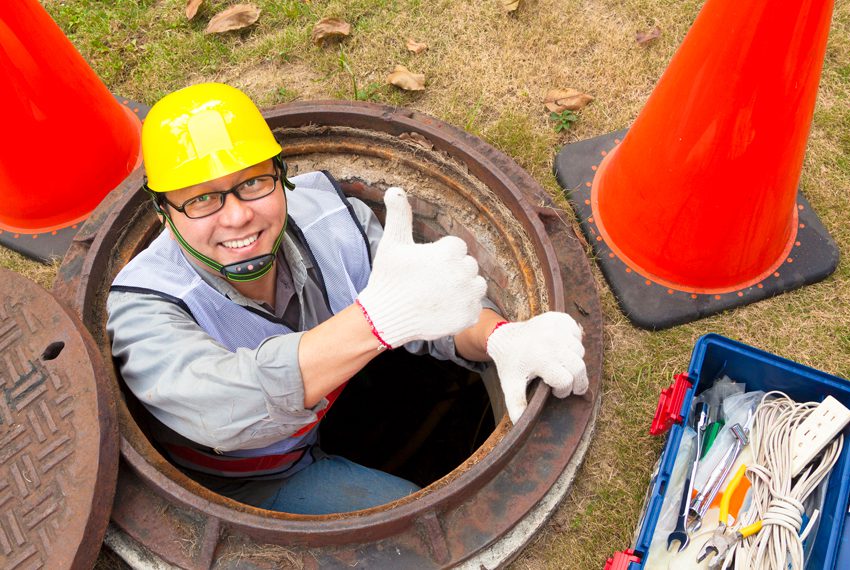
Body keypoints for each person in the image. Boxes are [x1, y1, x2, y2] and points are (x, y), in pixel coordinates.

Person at [106, 82, 588, 515]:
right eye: (201, 199)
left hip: (319, 422)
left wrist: (500, 336)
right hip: (249, 483)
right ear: (165, 214)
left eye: (252, 183)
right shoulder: (145, 304)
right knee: (411, 526)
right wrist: (373, 324)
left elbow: (429, 309)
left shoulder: (333, 222)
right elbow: (220, 410)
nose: (236, 218)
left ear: (281, 176)